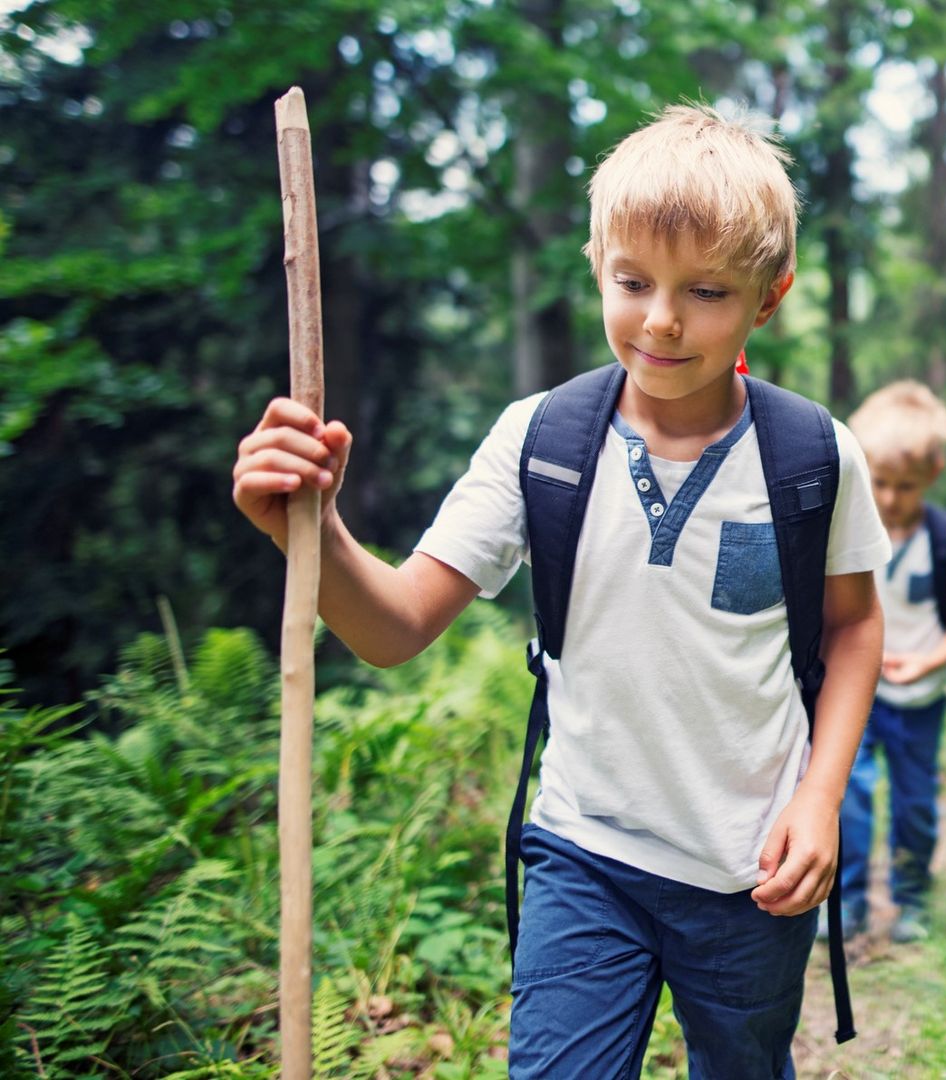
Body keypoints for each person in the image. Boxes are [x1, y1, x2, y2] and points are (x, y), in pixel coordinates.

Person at [230, 105, 891, 1077]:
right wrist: (312, 534)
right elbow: (396, 626)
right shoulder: (539, 442)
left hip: (753, 868)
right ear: (596, 264)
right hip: (585, 855)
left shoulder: (810, 456)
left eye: (705, 290)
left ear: (769, 296)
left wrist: (821, 797)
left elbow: (854, 628)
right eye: (634, 282)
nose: (661, 318)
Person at [834, 381, 946, 944]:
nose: (892, 498)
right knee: (846, 796)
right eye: (879, 483)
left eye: (906, 486)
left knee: (915, 804)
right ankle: (848, 901)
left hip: (920, 700)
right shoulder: (844, 531)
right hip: (854, 695)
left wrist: (930, 661)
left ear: (934, 473)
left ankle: (911, 898)